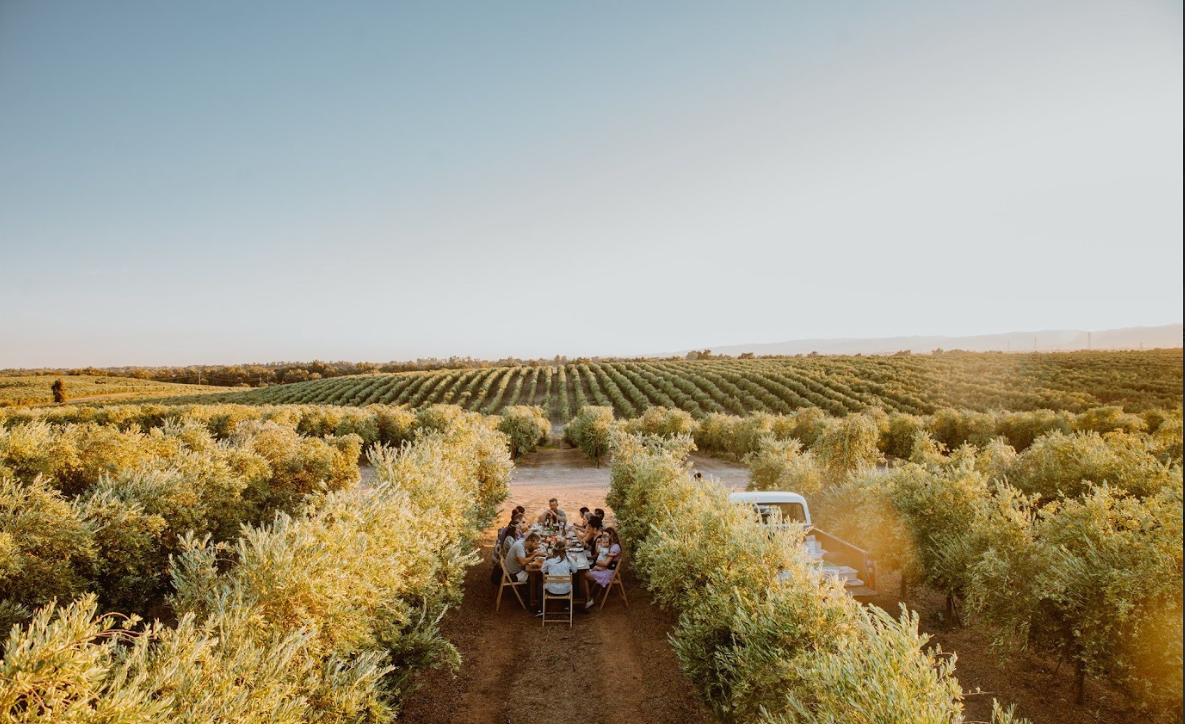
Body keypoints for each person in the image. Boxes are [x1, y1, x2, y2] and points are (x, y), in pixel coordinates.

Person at [583, 528, 622, 609]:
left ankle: (588, 599)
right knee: (586, 571)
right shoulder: (610, 544)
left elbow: (605, 563)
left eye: (605, 535)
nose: (603, 537)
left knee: (584, 575)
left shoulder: (615, 547)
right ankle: (587, 596)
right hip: (605, 569)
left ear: (610, 536)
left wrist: (596, 563)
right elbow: (599, 553)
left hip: (609, 573)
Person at [539, 540, 577, 616]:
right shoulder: (569, 560)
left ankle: (541, 609)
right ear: (565, 550)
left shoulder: (548, 559)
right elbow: (575, 571)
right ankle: (567, 606)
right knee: (573, 582)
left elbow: (542, 570)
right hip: (566, 589)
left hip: (552, 589)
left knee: (540, 585)